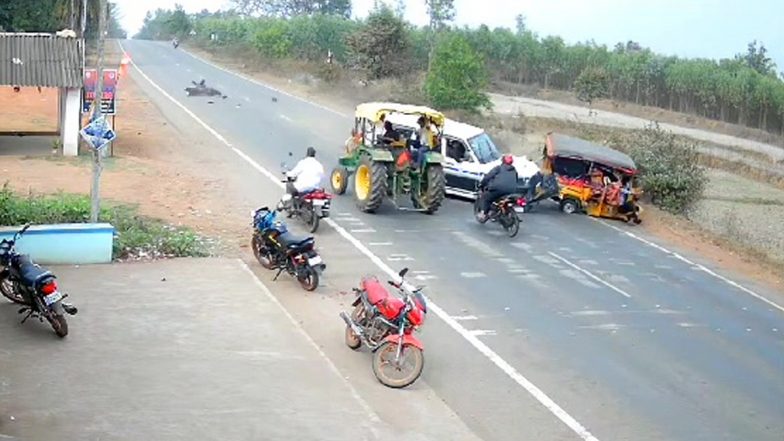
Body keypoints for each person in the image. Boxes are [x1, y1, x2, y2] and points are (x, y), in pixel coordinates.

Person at [477, 154, 518, 222]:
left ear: (503, 161)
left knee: (486, 197)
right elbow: (516, 179)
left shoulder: (498, 168)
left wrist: (482, 184)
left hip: (498, 189)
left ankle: (483, 213)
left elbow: (488, 177)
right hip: (512, 190)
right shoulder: (514, 170)